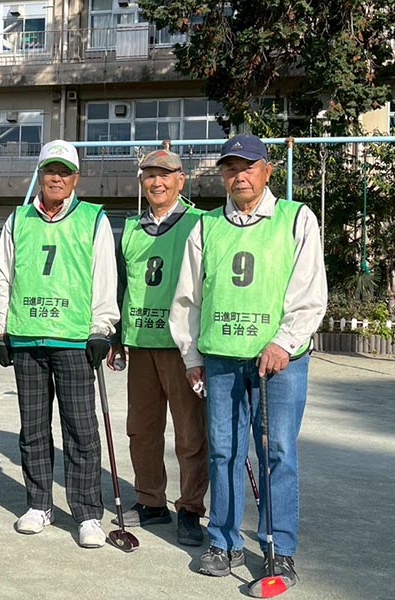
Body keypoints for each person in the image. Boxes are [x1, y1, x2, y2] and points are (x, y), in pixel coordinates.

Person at [169, 134, 327, 588]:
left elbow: (309, 293)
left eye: (248, 166)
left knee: (276, 451)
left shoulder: (295, 218)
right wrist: (192, 355)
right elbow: (189, 298)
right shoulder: (206, 227)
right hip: (221, 360)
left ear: (267, 170)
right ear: (222, 174)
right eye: (231, 167)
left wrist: (283, 341)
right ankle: (223, 540)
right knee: (224, 451)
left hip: (280, 361)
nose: (239, 175)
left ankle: (280, 550)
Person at [0, 139, 119, 549]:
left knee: (81, 431)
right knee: (33, 429)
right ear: (40, 175)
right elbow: (2, 275)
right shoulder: (18, 219)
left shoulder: (93, 219)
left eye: (64, 172)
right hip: (27, 337)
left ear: (76, 178)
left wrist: (102, 329)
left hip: (75, 340)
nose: (56, 178)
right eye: (50, 171)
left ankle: (87, 513)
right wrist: (1, 328)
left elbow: (104, 277)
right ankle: (39, 503)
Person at [106, 149, 208, 545]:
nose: (157, 182)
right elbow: (121, 287)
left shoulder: (200, 224)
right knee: (142, 429)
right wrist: (116, 337)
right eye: (149, 175)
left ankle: (190, 508)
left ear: (182, 180)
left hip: (183, 347)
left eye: (165, 175)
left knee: (189, 432)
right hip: (141, 344)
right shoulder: (130, 228)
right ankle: (150, 500)